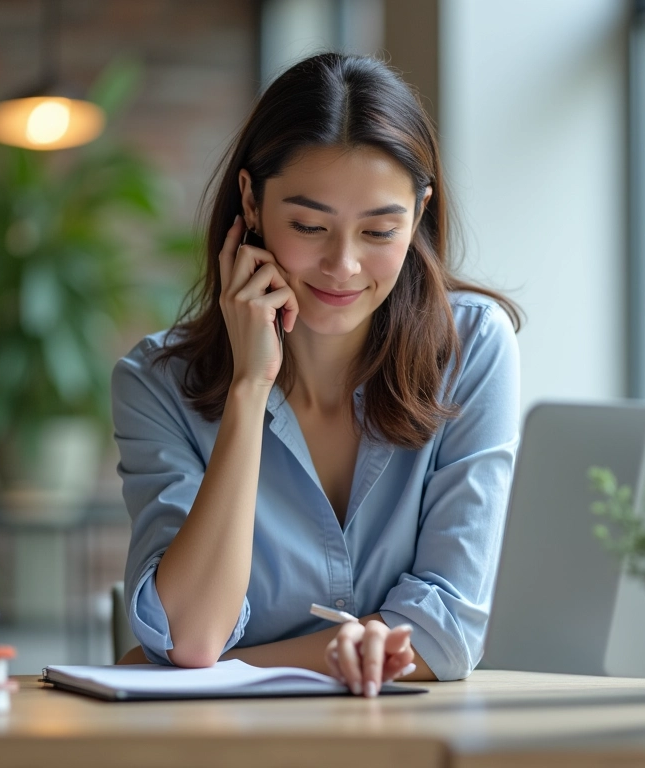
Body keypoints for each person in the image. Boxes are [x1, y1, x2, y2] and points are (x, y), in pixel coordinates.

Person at [112, 52, 521, 697]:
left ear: (418, 215)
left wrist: (243, 668)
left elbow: (447, 631)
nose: (344, 265)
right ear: (250, 200)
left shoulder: (471, 348)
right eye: (309, 225)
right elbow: (191, 635)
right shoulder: (156, 383)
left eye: (380, 230)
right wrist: (249, 389)